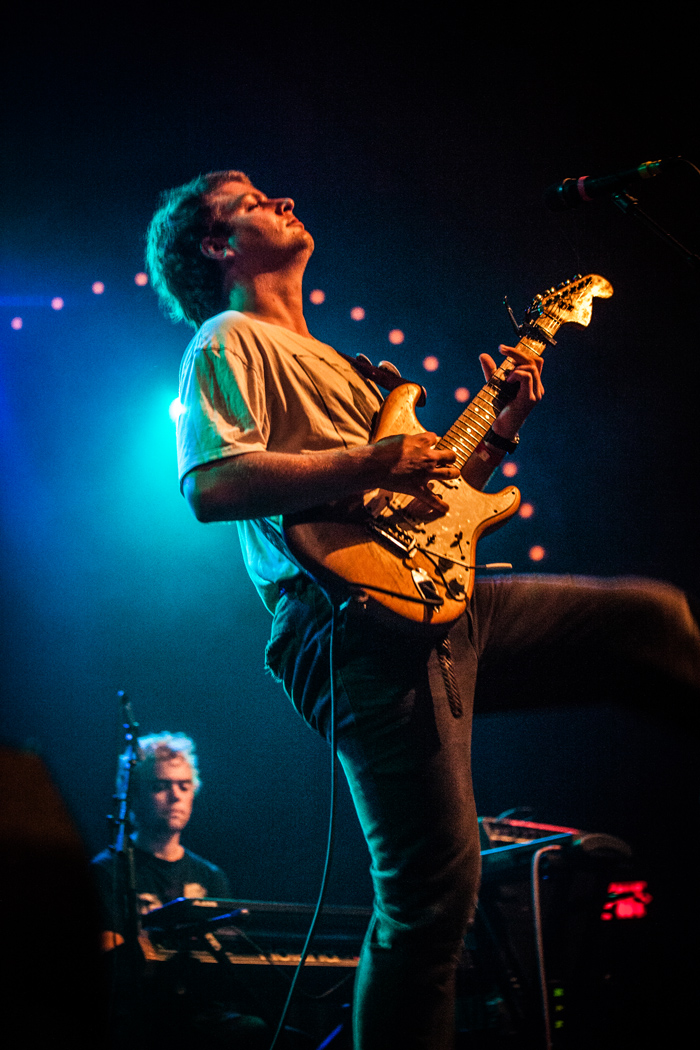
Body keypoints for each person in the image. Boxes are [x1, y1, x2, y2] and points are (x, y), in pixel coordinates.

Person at [145, 170, 700, 1049]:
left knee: (651, 621)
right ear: (218, 247)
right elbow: (212, 485)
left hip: (440, 598)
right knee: (432, 894)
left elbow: (433, 512)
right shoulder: (227, 339)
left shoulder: (348, 367)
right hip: (350, 633)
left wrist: (504, 425)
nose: (284, 198)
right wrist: (374, 462)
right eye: (251, 201)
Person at [92, 732, 230, 941]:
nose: (176, 796)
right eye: (160, 787)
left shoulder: (210, 877)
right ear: (133, 795)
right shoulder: (106, 873)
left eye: (184, 786)